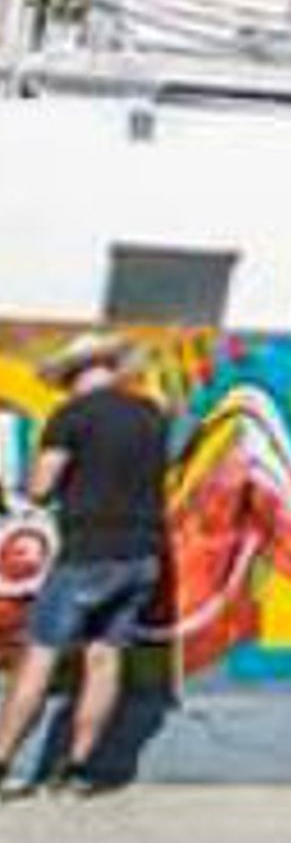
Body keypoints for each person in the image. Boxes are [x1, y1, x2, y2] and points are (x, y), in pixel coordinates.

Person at [0, 333, 173, 798]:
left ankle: (2, 761)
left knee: (39, 654)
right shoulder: (150, 415)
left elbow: (40, 487)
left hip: (87, 555)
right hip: (143, 556)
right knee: (104, 658)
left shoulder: (72, 416)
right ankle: (78, 772)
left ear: (74, 375)